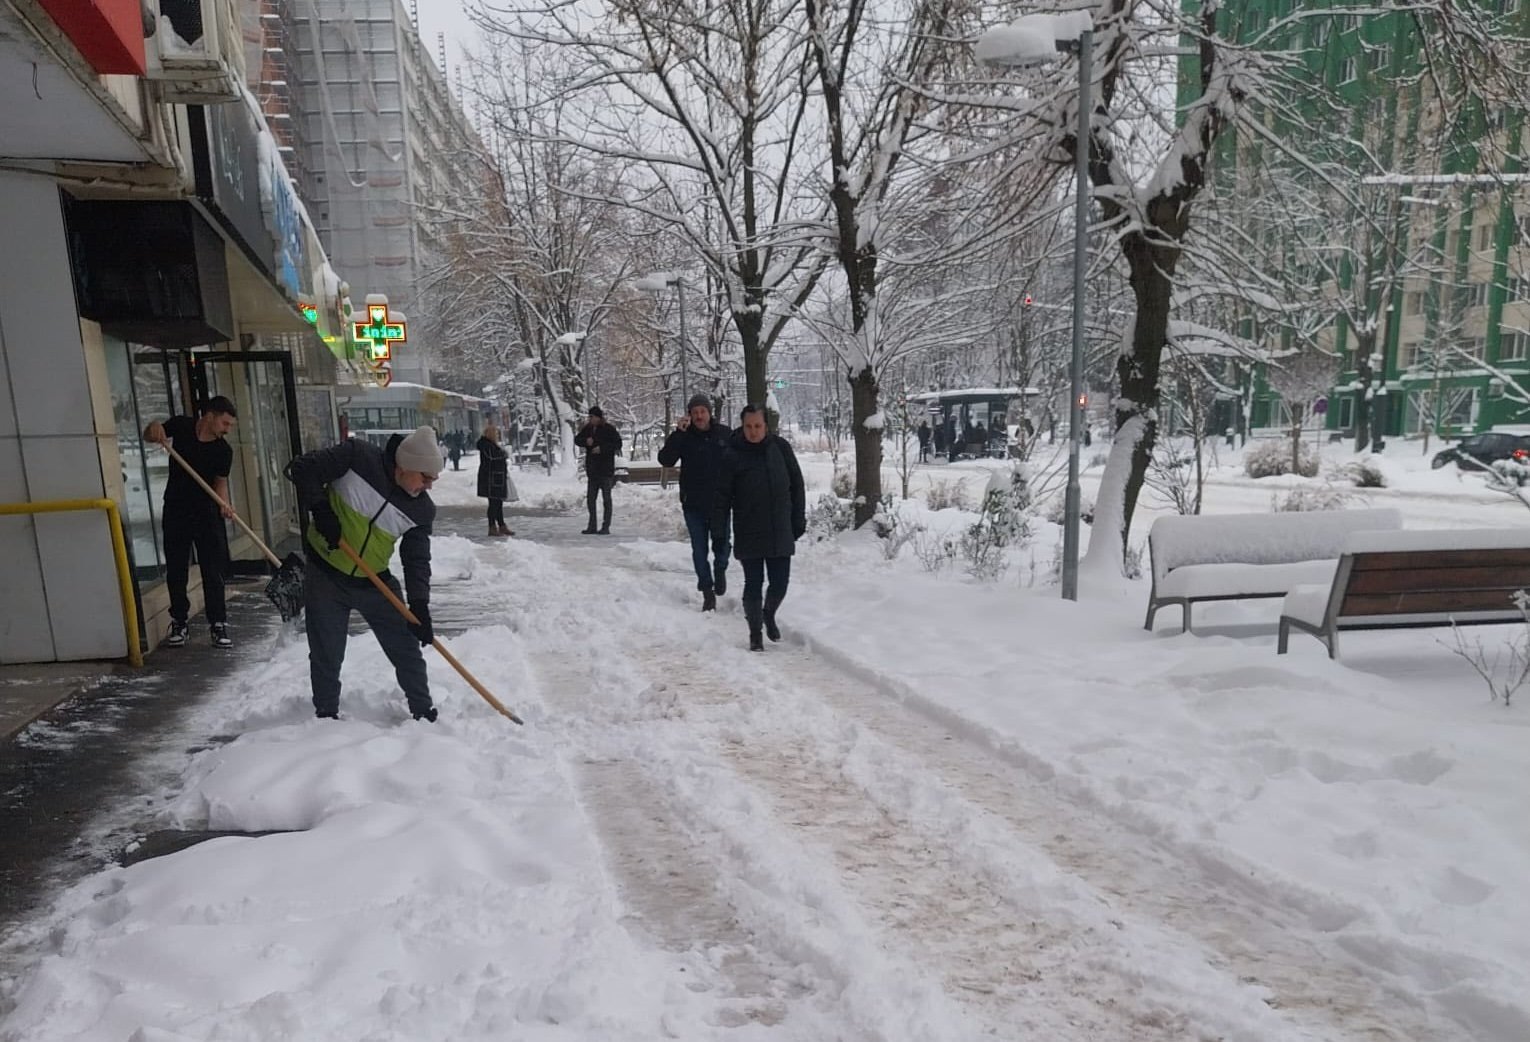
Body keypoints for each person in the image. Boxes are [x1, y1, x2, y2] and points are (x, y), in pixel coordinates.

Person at [284, 426, 442, 722]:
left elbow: (417, 559)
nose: (429, 486)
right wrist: (321, 510)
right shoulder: (357, 457)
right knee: (327, 652)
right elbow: (303, 468)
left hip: (375, 581)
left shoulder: (421, 510)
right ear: (406, 466)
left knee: (406, 647)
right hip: (326, 573)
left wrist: (419, 605)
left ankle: (423, 712)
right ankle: (326, 716)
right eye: (426, 477)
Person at [143, 396, 238, 649]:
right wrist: (154, 429)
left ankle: (218, 623)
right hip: (176, 510)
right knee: (176, 569)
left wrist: (224, 504)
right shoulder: (182, 426)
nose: (227, 430)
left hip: (207, 514)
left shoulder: (223, 451)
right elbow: (152, 434)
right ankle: (179, 621)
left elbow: (220, 483)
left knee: (212, 570)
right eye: (225, 423)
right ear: (210, 415)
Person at [713, 404, 806, 651]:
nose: (753, 432)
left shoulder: (781, 449)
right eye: (749, 427)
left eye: (758, 426)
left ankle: (768, 613)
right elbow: (722, 496)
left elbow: (797, 484)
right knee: (753, 583)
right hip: (749, 528)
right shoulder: (732, 454)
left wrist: (798, 519)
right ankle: (755, 633)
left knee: (780, 583)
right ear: (742, 427)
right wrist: (720, 530)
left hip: (780, 527)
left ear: (767, 426)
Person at [658, 393, 733, 611]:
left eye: (703, 411)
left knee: (722, 545)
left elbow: (738, 461)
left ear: (710, 413)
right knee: (699, 549)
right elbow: (665, 459)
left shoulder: (724, 434)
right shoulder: (684, 437)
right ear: (689, 415)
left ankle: (720, 569)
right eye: (695, 412)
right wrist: (678, 434)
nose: (700, 416)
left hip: (719, 502)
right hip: (693, 504)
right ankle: (707, 591)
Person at [576, 406, 621, 534]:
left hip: (605, 469)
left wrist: (602, 449)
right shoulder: (588, 429)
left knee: (606, 499)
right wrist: (586, 441)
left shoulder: (609, 429)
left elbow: (617, 444)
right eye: (589, 417)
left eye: (592, 417)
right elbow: (577, 439)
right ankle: (592, 525)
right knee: (591, 499)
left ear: (598, 417)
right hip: (593, 470)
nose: (590, 419)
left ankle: (606, 526)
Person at [477, 423, 514, 537]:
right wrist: (503, 454)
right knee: (493, 503)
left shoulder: (491, 445)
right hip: (490, 479)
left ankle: (501, 525)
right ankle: (492, 527)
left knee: (498, 503)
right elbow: (493, 457)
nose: (497, 435)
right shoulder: (486, 445)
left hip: (497, 478)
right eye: (496, 433)